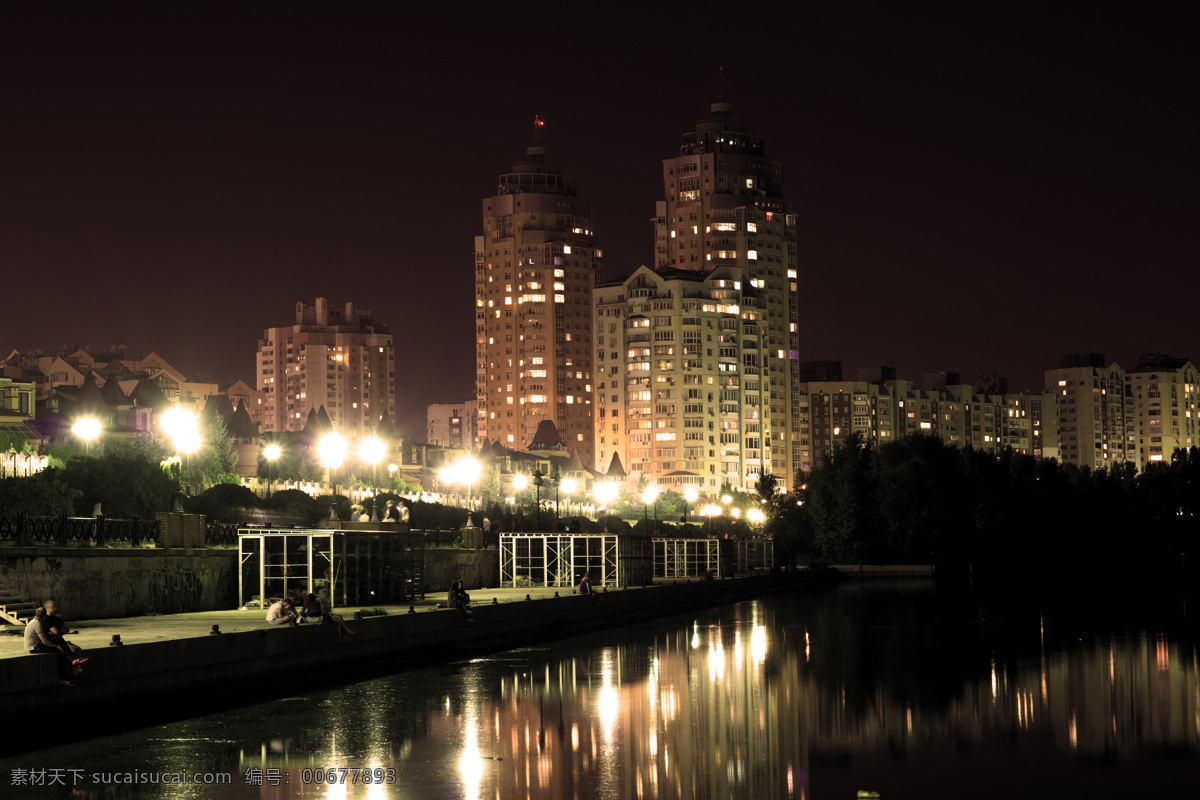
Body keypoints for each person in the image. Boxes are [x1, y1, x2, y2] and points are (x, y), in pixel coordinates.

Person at [26, 607, 75, 686]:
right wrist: (57, 646)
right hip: (34, 647)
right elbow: (45, 642)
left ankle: (71, 661)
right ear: (45, 616)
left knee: (58, 640)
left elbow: (44, 636)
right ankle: (63, 678)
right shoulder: (37, 624)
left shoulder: (34, 621)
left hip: (35, 645)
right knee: (60, 652)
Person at [43, 600, 88, 668]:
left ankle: (78, 670)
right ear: (47, 609)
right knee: (70, 650)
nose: (56, 609)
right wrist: (59, 631)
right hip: (53, 641)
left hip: (60, 639)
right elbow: (56, 632)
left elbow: (66, 629)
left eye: (55, 607)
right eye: (53, 607)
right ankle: (76, 669)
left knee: (77, 649)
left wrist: (59, 631)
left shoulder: (56, 618)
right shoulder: (46, 619)